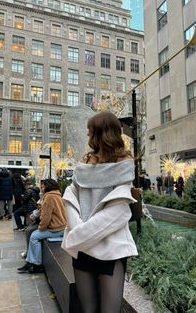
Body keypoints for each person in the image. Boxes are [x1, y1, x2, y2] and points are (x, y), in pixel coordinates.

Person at [61, 111, 138, 313]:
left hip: (111, 249)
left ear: (101, 133)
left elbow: (118, 212)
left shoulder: (124, 167)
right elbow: (71, 198)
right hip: (82, 249)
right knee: (88, 310)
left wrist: (77, 234)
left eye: (90, 130)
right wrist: (78, 231)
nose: (87, 135)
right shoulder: (84, 164)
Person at [17, 179, 66, 273]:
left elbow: (45, 217)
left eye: (43, 186)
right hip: (61, 227)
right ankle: (31, 262)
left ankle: (36, 264)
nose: (41, 188)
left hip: (56, 229)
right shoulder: (57, 195)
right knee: (33, 233)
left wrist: (41, 228)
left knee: (34, 236)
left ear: (48, 187)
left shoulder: (49, 197)